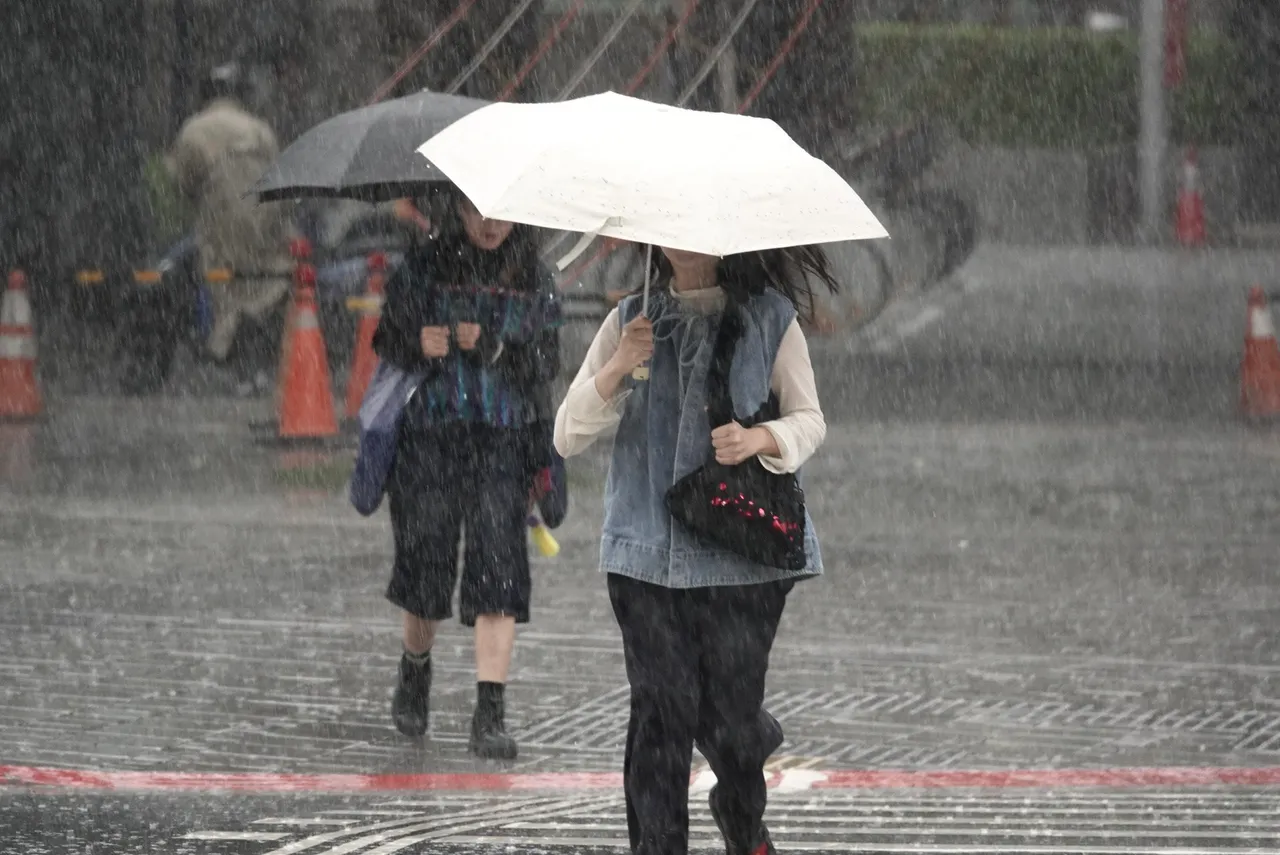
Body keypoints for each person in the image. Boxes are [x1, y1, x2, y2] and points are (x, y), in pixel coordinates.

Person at [554, 244, 835, 855]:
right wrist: (618, 366)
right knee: (661, 716)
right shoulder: (632, 321)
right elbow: (567, 433)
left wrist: (760, 437)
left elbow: (808, 419)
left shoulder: (771, 318)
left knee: (731, 726)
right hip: (645, 557)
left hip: (742, 557)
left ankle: (742, 814)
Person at [371, 187, 561, 759]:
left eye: (503, 212)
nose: (490, 224)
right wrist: (417, 342)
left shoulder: (534, 276)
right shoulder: (424, 265)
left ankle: (490, 712)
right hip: (429, 439)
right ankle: (415, 668)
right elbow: (386, 338)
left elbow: (547, 363)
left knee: (499, 570)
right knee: (426, 564)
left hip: (503, 441)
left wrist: (497, 349)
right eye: (478, 210)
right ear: (457, 208)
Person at [168, 62, 294, 396]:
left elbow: (184, 183)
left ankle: (219, 353)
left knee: (222, 289)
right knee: (263, 288)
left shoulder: (193, 130)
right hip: (265, 228)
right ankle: (258, 363)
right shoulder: (260, 129)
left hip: (220, 228)